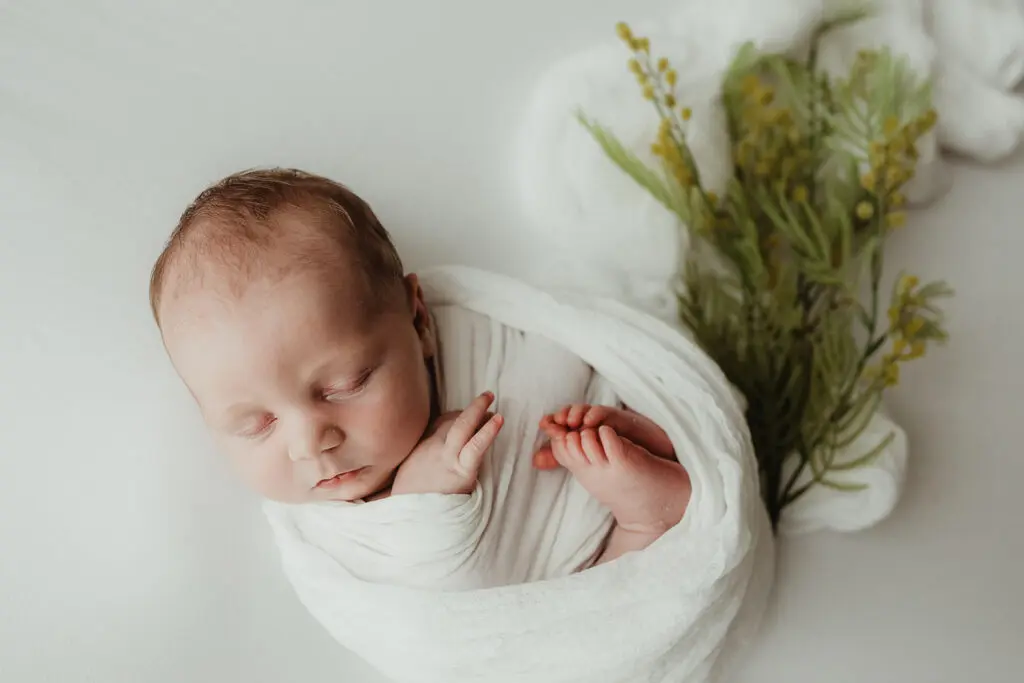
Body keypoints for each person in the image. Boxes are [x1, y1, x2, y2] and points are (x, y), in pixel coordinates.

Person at [149, 167, 690, 568]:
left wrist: (636, 416)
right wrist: (424, 503)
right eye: (254, 425)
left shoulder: (483, 343)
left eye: (346, 384)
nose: (311, 443)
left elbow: (569, 355)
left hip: (571, 477)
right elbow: (437, 625)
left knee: (604, 429)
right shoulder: (323, 549)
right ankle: (648, 520)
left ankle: (651, 473)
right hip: (560, 591)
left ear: (420, 320)